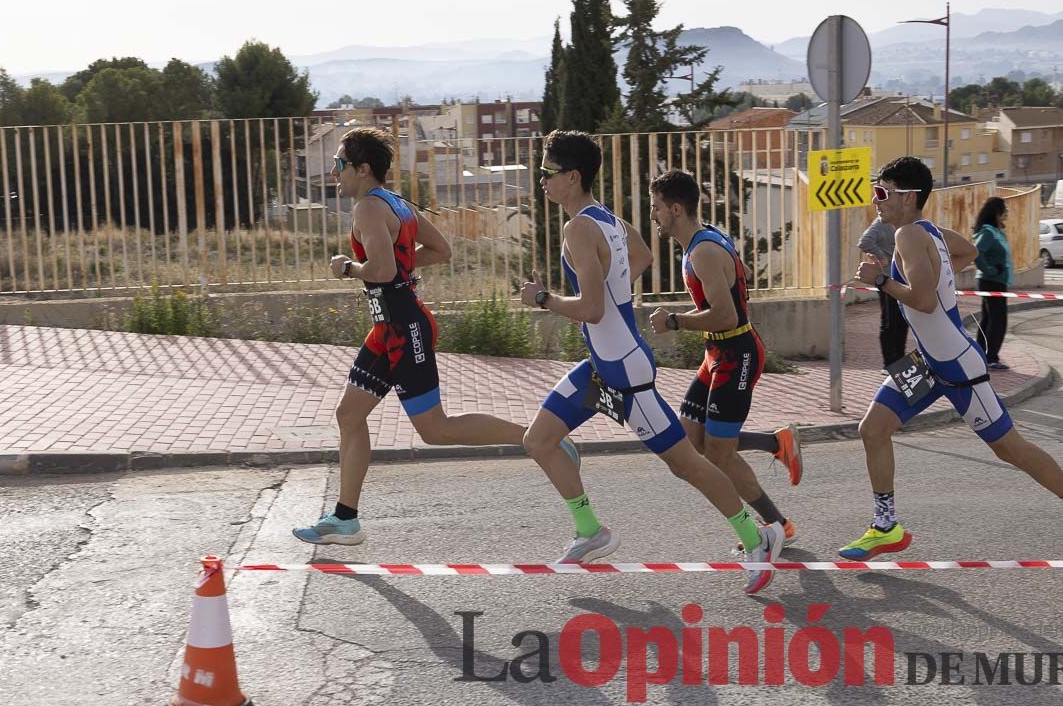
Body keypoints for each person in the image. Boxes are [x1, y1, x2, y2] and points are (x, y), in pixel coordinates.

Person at [518, 131, 784, 594]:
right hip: (605, 362)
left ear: (572, 176)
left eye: (546, 172)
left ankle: (756, 537)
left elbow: (592, 309)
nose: (540, 181)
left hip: (625, 373)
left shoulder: (579, 227)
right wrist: (613, 285)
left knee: (687, 464)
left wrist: (542, 298)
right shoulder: (609, 221)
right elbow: (638, 257)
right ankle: (590, 532)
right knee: (540, 440)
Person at [294, 127, 577, 545]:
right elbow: (441, 250)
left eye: (339, 165)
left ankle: (538, 436)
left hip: (403, 329)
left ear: (362, 168)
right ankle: (345, 518)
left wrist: (348, 268)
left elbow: (383, 270)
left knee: (436, 429)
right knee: (349, 416)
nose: (334, 173)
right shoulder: (397, 204)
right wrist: (398, 268)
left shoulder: (368, 210)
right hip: (388, 328)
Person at [843, 156, 1063, 562]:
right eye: (874, 192)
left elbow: (920, 298)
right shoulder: (926, 231)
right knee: (873, 429)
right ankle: (886, 526)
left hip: (956, 366)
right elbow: (965, 252)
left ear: (909, 196)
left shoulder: (909, 237)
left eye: (882, 192)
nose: (875, 200)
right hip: (928, 361)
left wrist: (882, 281)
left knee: (1009, 448)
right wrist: (936, 279)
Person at [645, 170, 803, 545]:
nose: (652, 215)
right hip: (716, 352)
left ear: (676, 209)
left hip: (737, 353)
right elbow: (741, 272)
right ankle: (776, 443)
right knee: (692, 439)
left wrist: (674, 320)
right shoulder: (707, 238)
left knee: (719, 452)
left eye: (656, 208)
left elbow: (727, 314)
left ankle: (778, 524)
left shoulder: (702, 251)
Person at [858, 214, 908, 368]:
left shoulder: (901, 223)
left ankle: (899, 361)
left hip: (902, 279)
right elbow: (864, 242)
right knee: (889, 322)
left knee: (902, 322)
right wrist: (881, 257)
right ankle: (889, 364)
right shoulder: (880, 224)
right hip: (886, 279)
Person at [972, 196, 1012, 371]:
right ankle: (991, 358)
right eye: (1005, 209)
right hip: (991, 281)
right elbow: (977, 252)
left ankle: (982, 355)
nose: (1007, 212)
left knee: (989, 319)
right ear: (997, 212)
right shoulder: (988, 232)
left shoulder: (995, 231)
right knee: (998, 320)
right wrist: (990, 270)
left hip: (996, 282)